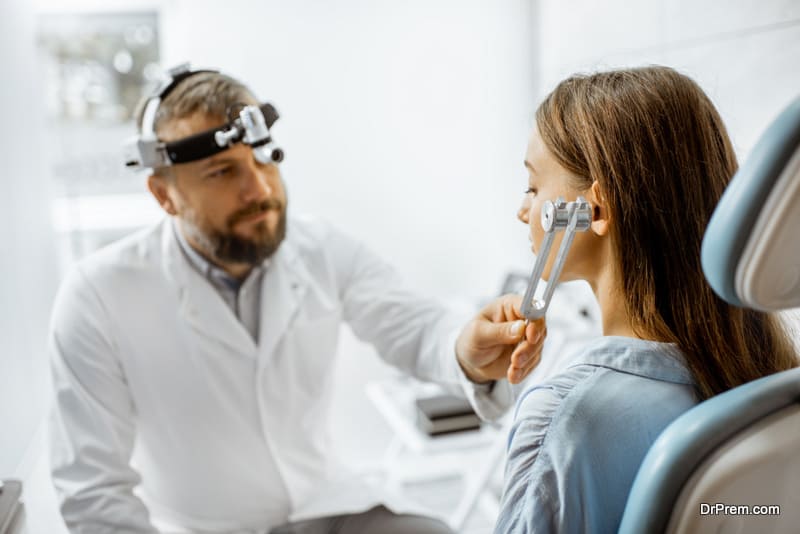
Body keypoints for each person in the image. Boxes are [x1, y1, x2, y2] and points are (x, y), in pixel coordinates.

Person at [48, 68, 546, 534]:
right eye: (223, 172)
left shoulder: (319, 248)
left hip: (331, 510)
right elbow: (94, 493)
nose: (259, 188)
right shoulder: (97, 296)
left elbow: (413, 326)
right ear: (165, 196)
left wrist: (466, 348)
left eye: (264, 159)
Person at [494, 66, 798, 533]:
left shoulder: (563, 418)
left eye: (533, 188)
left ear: (594, 209)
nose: (522, 210)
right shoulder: (771, 384)